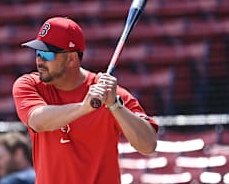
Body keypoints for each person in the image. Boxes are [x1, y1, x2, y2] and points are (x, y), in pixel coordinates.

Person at [12, 17, 158, 184]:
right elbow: (37, 120)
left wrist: (114, 105)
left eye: (47, 54)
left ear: (72, 59)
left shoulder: (111, 94)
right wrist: (83, 107)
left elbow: (148, 145)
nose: (40, 60)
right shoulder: (29, 85)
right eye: (38, 53)